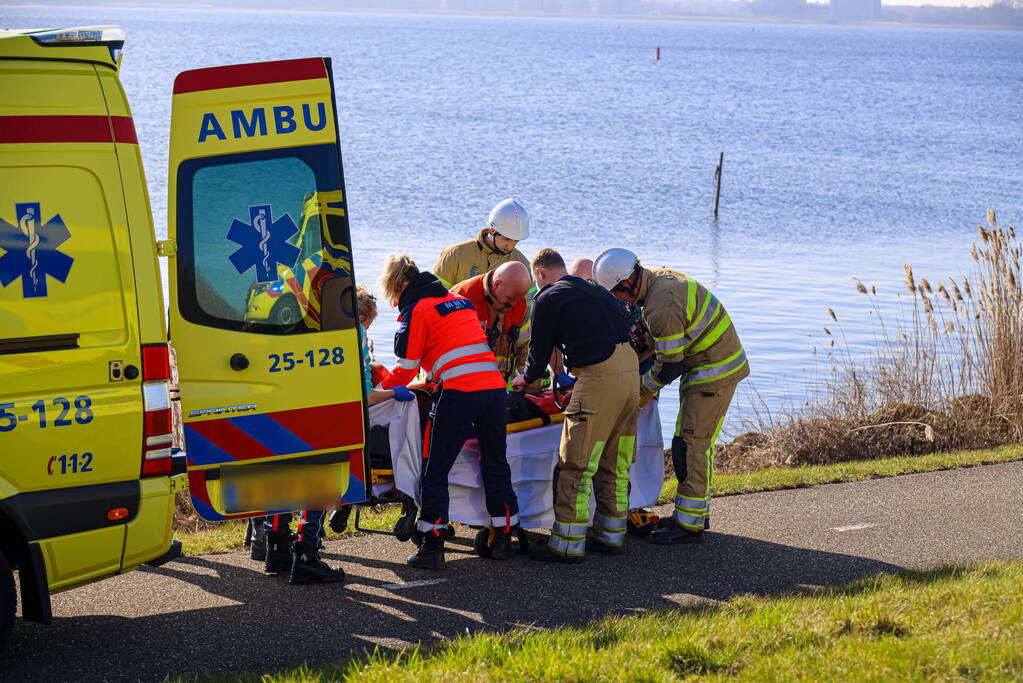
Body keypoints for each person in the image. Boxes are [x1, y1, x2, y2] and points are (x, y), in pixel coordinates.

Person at [593, 248, 749, 545]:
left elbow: (670, 364)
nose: (619, 300)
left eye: (617, 294)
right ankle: (693, 513)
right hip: (709, 364)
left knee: (691, 444)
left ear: (628, 283)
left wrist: (639, 391)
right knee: (692, 444)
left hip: (713, 371)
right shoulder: (659, 280)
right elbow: (660, 342)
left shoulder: (659, 305)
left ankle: (688, 526)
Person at [379, 254, 520, 569]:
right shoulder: (459, 302)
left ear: (402, 284)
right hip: (495, 389)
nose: (394, 301)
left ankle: (432, 543)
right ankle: (504, 536)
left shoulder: (417, 310)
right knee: (496, 462)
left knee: (435, 466)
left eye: (393, 293)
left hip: (460, 391)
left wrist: (378, 390)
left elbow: (405, 369)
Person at [512, 248, 638, 562]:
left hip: (598, 377)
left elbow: (538, 359)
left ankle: (566, 544)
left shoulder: (546, 298)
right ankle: (611, 535)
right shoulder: (593, 288)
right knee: (615, 461)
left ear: (539, 273)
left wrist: (523, 380)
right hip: (629, 374)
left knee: (576, 463)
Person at [450, 261, 532, 384]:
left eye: (518, 298)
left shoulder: (518, 301)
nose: (514, 304)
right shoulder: (462, 297)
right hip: (463, 384)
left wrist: (527, 378)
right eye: (510, 298)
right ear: (497, 283)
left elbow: (524, 346)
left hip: (500, 386)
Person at [433, 198, 531, 289]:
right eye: (507, 239)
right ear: (493, 230)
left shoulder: (523, 265)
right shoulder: (455, 255)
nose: (510, 246)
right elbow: (435, 294)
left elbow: (529, 303)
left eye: (516, 241)